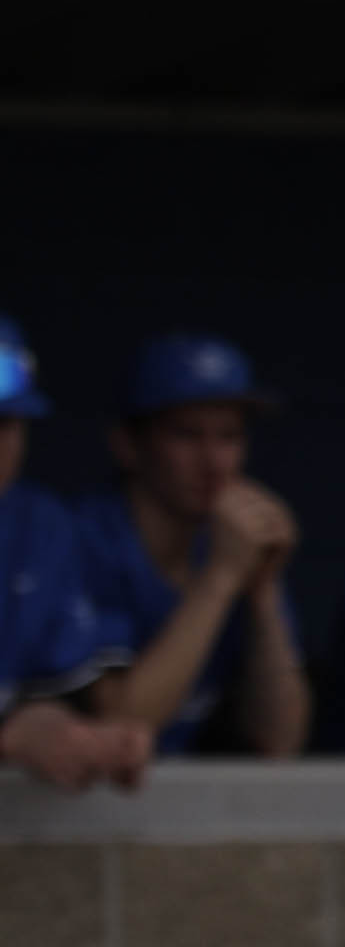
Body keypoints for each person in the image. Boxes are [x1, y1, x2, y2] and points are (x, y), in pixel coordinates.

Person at [72, 333, 316, 762]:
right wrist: (221, 578)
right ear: (128, 444)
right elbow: (118, 726)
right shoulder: (84, 540)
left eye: (229, 437)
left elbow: (280, 740)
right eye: (187, 435)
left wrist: (264, 587)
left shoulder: (231, 542)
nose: (214, 462)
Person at [0, 313, 156, 794]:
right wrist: (7, 738)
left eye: (4, 425)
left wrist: (62, 729)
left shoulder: (36, 524)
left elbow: (46, 691)